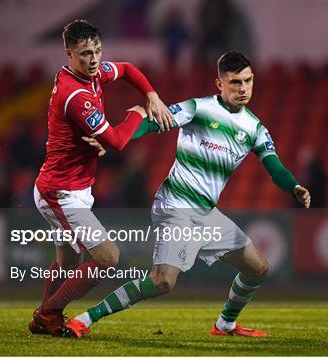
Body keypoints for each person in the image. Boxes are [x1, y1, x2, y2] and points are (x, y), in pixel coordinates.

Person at [63, 51, 311, 338]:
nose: (243, 89)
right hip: (176, 206)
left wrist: (293, 186)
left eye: (248, 81)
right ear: (219, 84)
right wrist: (115, 137)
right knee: (162, 282)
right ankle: (85, 318)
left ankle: (225, 325)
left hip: (206, 213)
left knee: (258, 268)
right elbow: (155, 122)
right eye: (235, 83)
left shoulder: (255, 129)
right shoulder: (199, 108)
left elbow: (274, 166)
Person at [29, 19, 173, 336]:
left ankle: (44, 317)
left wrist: (152, 94)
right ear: (68, 52)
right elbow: (118, 141)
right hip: (61, 192)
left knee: (67, 261)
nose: (93, 60)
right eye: (84, 54)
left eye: (96, 51)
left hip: (68, 186)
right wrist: (137, 112)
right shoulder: (75, 95)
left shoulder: (89, 73)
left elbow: (126, 69)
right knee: (108, 257)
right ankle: (49, 312)